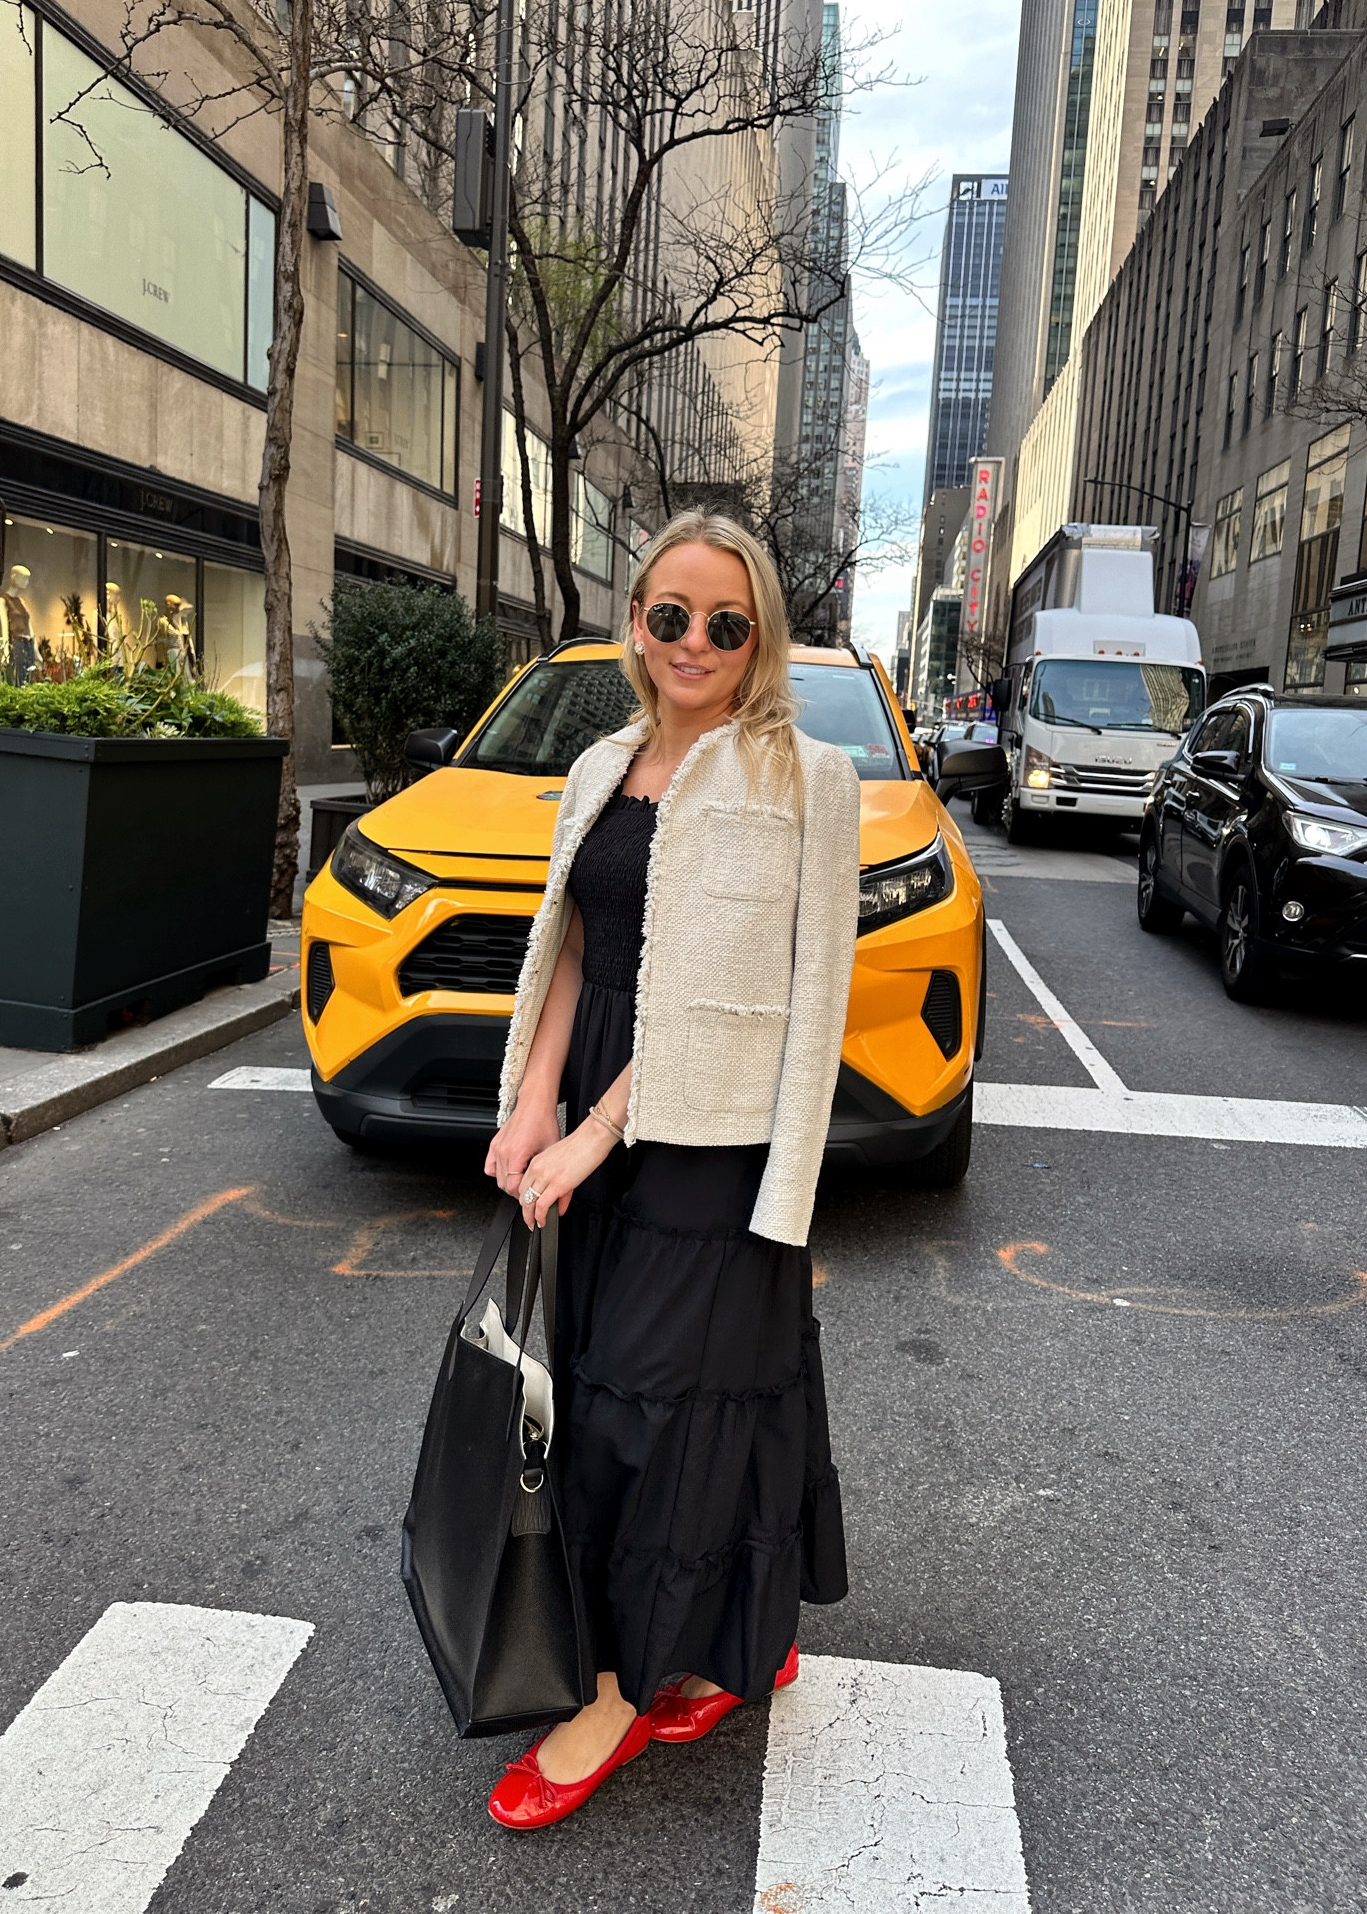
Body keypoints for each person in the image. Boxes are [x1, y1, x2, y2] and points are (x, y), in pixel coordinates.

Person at [482, 510, 860, 1830]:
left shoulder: (807, 778)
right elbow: (577, 947)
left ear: (759, 637)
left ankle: (615, 1689)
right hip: (590, 1095)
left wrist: (599, 1131)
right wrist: (534, 1103)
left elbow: (763, 996)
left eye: (724, 622)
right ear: (632, 621)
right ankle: (738, 1634)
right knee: (668, 1387)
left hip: (714, 1138)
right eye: (668, 616)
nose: (692, 642)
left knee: (647, 1408)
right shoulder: (601, 764)